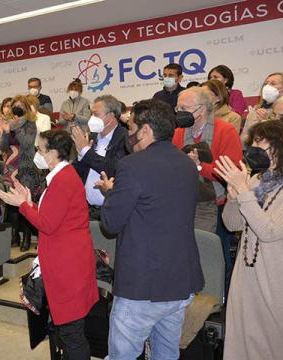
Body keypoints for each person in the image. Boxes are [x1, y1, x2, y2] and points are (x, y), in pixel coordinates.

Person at [97, 99, 204, 360]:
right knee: (166, 353)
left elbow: (110, 224)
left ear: (145, 131)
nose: (129, 134)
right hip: (180, 281)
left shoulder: (132, 166)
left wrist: (111, 195)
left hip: (142, 285)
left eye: (131, 126)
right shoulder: (188, 165)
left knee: (123, 355)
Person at [0, 129, 98, 360]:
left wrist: (22, 205)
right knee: (68, 331)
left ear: (53, 153)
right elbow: (52, 217)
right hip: (66, 262)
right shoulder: (60, 176)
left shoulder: (63, 180)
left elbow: (48, 224)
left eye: (40, 150)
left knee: (72, 335)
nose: (37, 154)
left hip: (67, 267)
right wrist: (29, 203)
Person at [216, 121, 283, 360]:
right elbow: (232, 225)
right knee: (241, 340)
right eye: (252, 143)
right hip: (246, 277)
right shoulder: (255, 181)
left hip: (274, 281)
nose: (253, 148)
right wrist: (233, 197)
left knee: (270, 342)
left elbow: (269, 231)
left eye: (260, 143)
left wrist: (243, 193)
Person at [174, 87, 243, 276]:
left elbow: (232, 172)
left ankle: (220, 297)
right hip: (187, 202)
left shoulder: (225, 130)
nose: (179, 112)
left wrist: (199, 167)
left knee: (215, 257)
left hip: (218, 205)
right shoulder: (179, 132)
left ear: (201, 109)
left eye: (183, 108)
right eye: (177, 108)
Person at [71, 95, 131, 221]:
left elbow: (114, 169)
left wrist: (86, 151)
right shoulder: (91, 137)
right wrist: (81, 155)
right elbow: (77, 172)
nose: (92, 119)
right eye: (91, 114)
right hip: (86, 209)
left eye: (96, 114)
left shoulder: (125, 138)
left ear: (112, 115)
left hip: (111, 209)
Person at [0, 95, 43, 251]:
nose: (17, 108)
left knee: (25, 203)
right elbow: (2, 147)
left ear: (26, 108)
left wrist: (16, 128)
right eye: (15, 105)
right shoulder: (9, 124)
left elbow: (27, 143)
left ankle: (27, 238)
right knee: (11, 203)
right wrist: (7, 132)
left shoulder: (30, 124)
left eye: (21, 105)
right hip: (10, 167)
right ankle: (14, 235)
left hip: (25, 168)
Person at [241, 72, 283, 141]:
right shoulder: (255, 112)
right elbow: (244, 141)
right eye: (265, 84)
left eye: (273, 84)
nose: (267, 87)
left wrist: (266, 122)